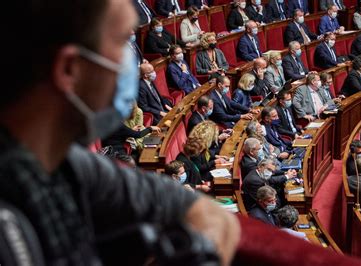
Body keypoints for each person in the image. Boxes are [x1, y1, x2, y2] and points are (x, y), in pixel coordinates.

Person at [3, 0, 240, 264]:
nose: (133, 60)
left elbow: (209, 215)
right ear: (70, 69)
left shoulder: (70, 164)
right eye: (121, 42)